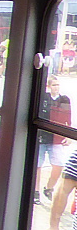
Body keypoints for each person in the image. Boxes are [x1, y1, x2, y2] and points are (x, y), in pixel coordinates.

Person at [38, 75, 71, 204]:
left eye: (57, 85)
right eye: (54, 85)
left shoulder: (64, 99)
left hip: (56, 137)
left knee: (59, 165)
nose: (56, 87)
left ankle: (49, 188)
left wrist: (68, 135)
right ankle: (35, 192)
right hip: (42, 135)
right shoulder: (43, 98)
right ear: (48, 86)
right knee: (37, 165)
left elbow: (68, 118)